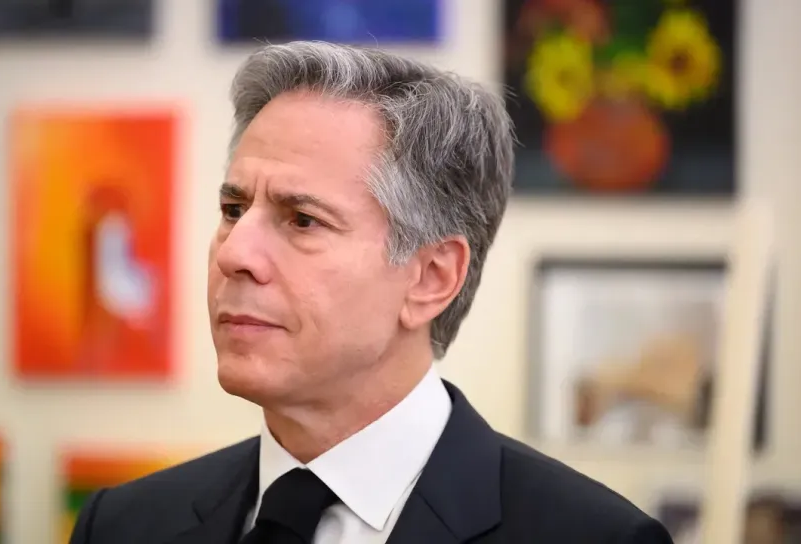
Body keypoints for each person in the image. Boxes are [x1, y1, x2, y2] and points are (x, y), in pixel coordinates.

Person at [69, 41, 674, 544]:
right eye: (233, 210)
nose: (233, 254)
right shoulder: (122, 526)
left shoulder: (596, 538)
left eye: (302, 219)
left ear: (432, 277)